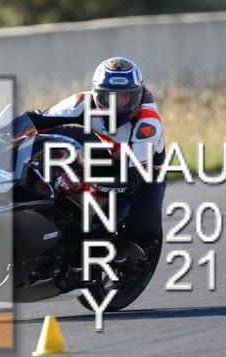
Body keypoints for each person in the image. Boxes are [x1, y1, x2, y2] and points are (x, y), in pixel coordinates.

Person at [25, 56, 166, 265]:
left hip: (144, 172)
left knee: (146, 229)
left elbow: (133, 178)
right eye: (110, 97)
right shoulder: (82, 102)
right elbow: (37, 118)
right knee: (49, 138)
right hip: (106, 151)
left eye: (125, 97)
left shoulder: (148, 124)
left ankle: (121, 248)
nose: (118, 104)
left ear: (136, 95)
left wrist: (88, 184)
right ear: (98, 94)